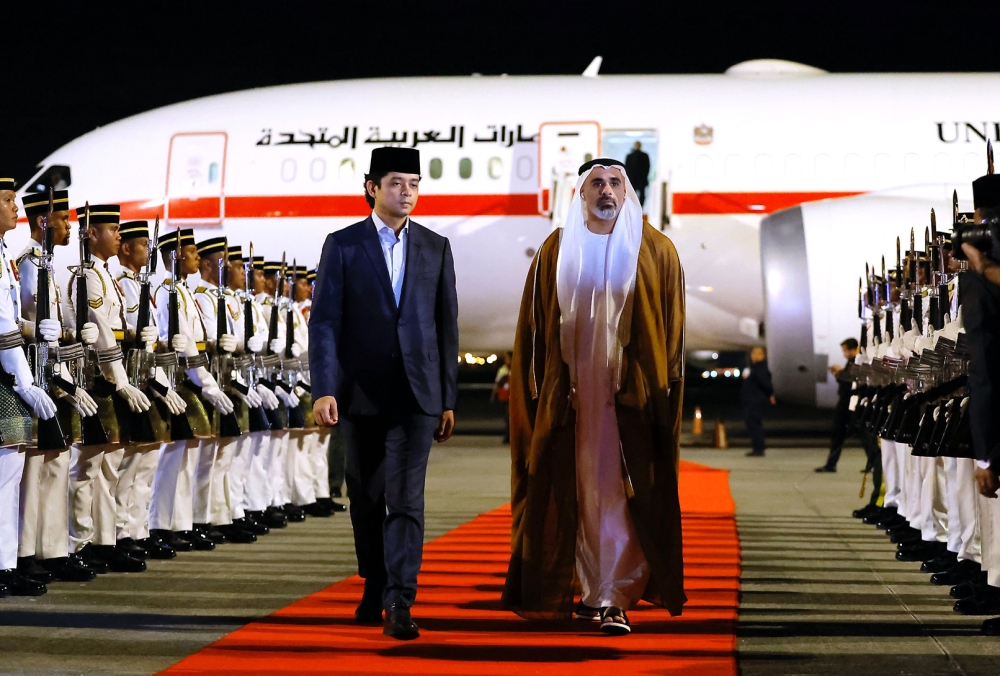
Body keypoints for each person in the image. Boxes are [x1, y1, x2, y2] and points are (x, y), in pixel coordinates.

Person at [502, 158, 686, 635]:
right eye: (597, 184)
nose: (607, 192)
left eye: (615, 183)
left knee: (624, 496)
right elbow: (535, 333)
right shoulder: (556, 251)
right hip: (574, 404)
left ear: (627, 192)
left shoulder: (655, 251)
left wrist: (660, 397)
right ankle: (593, 591)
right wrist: (544, 396)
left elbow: (672, 336)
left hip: (632, 404)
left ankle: (615, 594)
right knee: (580, 494)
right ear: (580, 193)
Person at [310, 146, 459, 641]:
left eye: (415, 183)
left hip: (418, 396)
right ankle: (374, 582)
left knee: (407, 500)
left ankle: (400, 598)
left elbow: (445, 326)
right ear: (372, 188)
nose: (408, 192)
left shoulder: (436, 248)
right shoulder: (344, 244)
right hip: (360, 394)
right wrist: (323, 388)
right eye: (397, 183)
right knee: (366, 498)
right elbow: (325, 322)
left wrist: (448, 397)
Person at [0, 177, 56, 597]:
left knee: (12, 470)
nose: (14, 205)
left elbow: (10, 321)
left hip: (10, 370)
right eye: (6, 200)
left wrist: (32, 327)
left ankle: (7, 563)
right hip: (6, 375)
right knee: (6, 473)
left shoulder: (5, 256)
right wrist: (26, 380)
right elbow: (1, 331)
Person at [816, 337, 860, 472]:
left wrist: (840, 373)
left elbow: (851, 382)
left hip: (848, 402)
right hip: (847, 402)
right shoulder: (852, 363)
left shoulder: (856, 363)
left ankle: (831, 464)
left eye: (845, 351)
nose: (844, 354)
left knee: (843, 432)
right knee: (844, 433)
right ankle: (831, 463)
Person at [741, 346, 776, 457]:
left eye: (755, 354)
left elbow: (766, 384)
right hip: (753, 400)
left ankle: (758, 448)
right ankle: (757, 447)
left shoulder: (759, 369)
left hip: (754, 401)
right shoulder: (756, 368)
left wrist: (769, 394)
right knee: (754, 424)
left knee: (754, 424)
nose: (752, 356)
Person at [489, 351, 512, 443]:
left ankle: (509, 436)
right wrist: (493, 395)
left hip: (512, 397)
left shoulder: (515, 369)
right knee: (507, 417)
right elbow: (498, 383)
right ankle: (508, 435)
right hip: (505, 396)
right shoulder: (503, 370)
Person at [624, 141, 651, 208]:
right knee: (640, 195)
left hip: (633, 180)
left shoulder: (630, 156)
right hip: (640, 180)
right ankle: (639, 207)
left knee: (633, 195)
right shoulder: (645, 156)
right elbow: (647, 167)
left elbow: (626, 169)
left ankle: (635, 207)